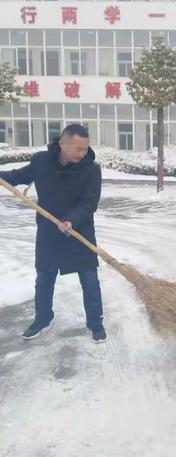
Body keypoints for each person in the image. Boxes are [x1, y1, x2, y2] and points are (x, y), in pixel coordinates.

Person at [0, 124, 106, 343]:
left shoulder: (91, 170)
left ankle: (95, 323)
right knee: (45, 279)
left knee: (89, 280)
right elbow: (19, 175)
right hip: (49, 232)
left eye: (85, 149)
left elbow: (89, 203)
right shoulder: (41, 161)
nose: (82, 153)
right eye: (77, 148)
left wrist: (71, 220)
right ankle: (42, 319)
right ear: (62, 143)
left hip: (80, 231)